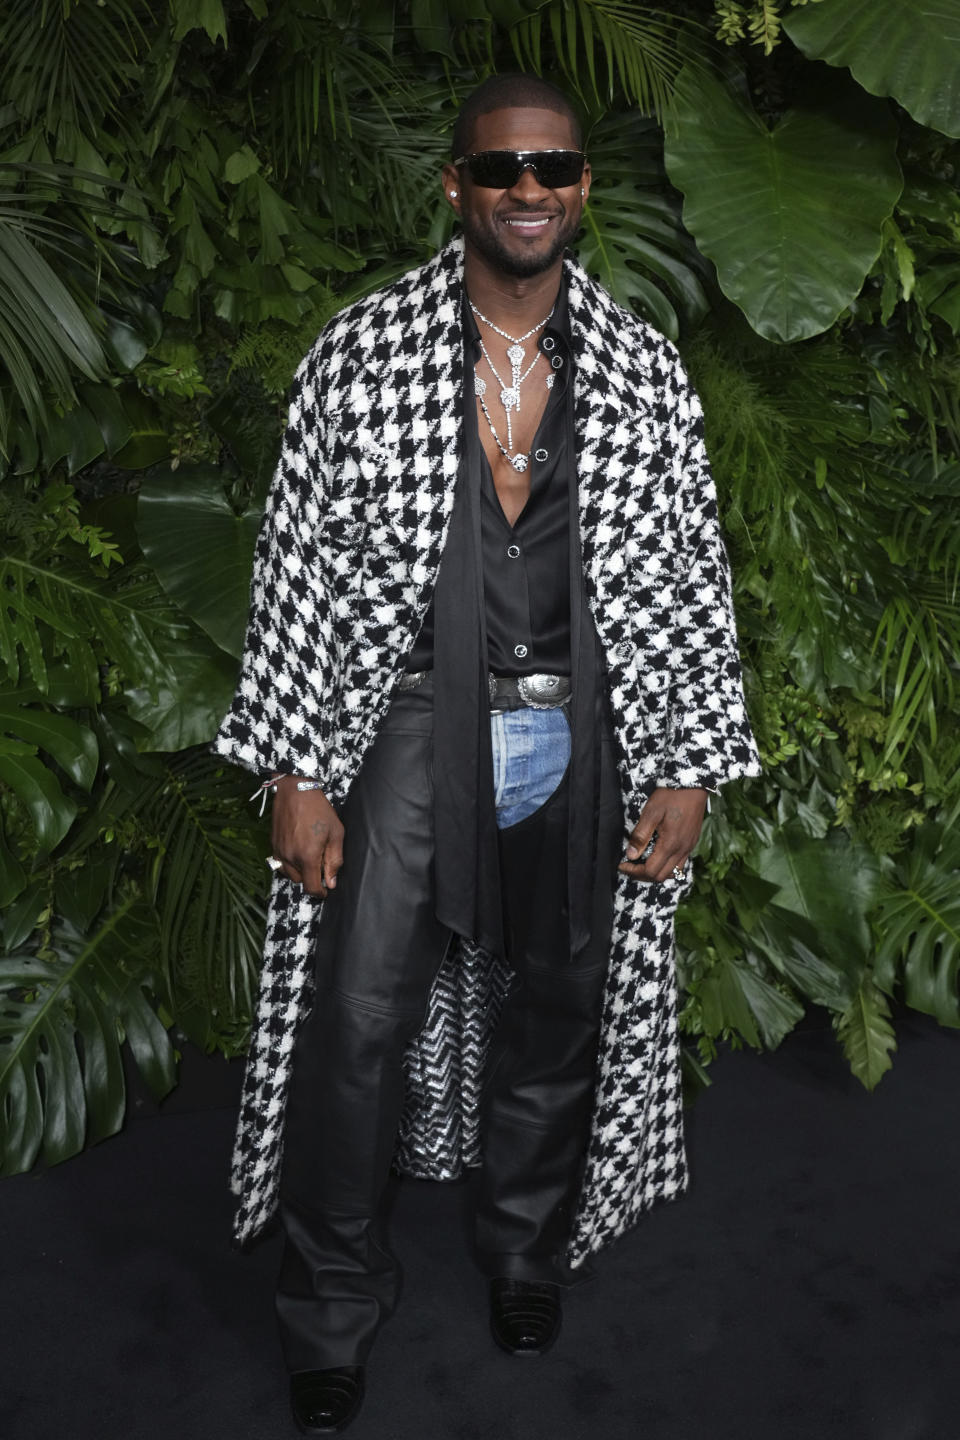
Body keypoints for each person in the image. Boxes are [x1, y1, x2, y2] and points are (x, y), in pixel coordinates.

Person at [214, 73, 760, 1436]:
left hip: (580, 712)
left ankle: (521, 1248)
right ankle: (330, 1301)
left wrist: (686, 764)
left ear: (583, 188)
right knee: (358, 1018)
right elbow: (297, 567)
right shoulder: (362, 351)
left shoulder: (640, 367)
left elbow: (693, 570)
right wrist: (295, 768)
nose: (529, 192)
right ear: (455, 186)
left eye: (554, 169)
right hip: (406, 709)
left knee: (560, 1000)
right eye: (502, 170)